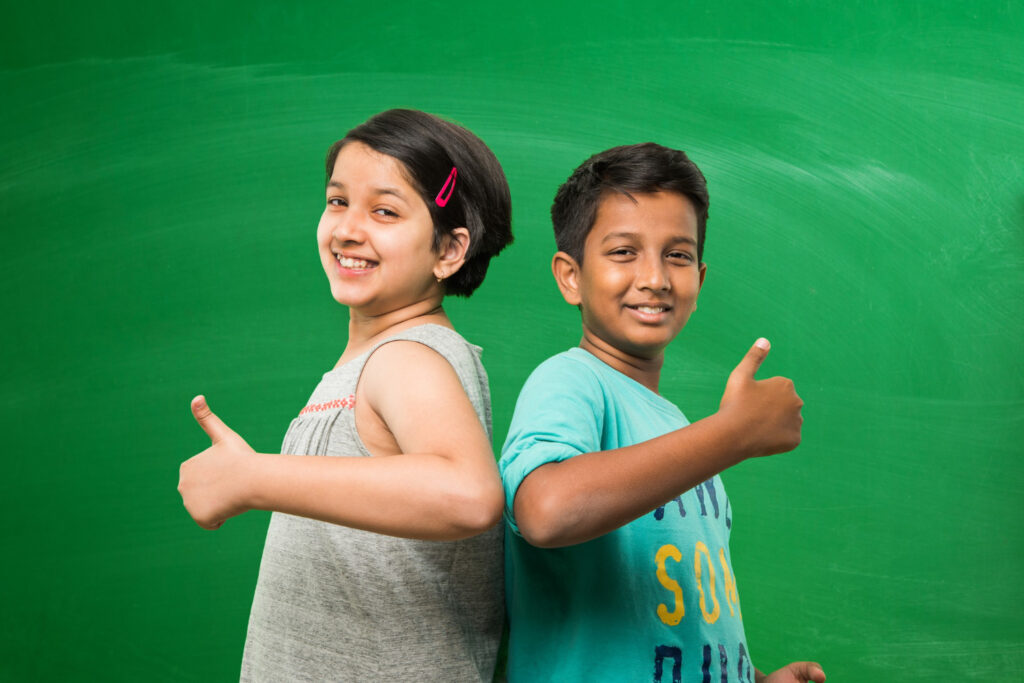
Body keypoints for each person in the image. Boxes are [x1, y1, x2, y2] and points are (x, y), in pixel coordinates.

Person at [177, 109, 513, 682]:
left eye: (384, 211)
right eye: (338, 202)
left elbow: (468, 494)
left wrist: (253, 478)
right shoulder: (369, 362)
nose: (349, 229)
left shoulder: (408, 357)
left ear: (449, 251)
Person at [499, 143, 825, 682]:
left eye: (677, 255)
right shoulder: (571, 379)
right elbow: (545, 510)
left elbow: (670, 626)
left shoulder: (675, 429)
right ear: (570, 276)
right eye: (624, 252)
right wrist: (733, 434)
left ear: (699, 276)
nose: (655, 278)